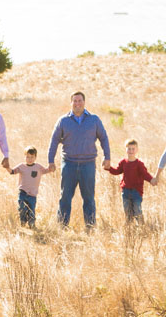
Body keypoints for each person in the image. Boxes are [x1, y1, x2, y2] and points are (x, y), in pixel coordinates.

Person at [47, 91, 111, 229]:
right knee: (65, 197)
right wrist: (50, 160)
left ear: (84, 102)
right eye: (74, 101)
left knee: (88, 198)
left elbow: (104, 138)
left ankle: (90, 227)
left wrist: (107, 157)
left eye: (80, 101)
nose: (77, 104)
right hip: (68, 164)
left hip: (88, 164)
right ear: (71, 103)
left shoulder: (94, 120)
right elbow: (54, 141)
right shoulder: (63, 121)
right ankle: (62, 227)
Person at [106, 138, 154, 224]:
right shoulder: (123, 162)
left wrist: (151, 180)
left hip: (136, 191)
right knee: (127, 211)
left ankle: (141, 227)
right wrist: (109, 168)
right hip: (126, 191)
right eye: (129, 148)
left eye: (133, 149)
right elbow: (117, 171)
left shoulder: (139, 164)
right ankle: (129, 228)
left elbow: (145, 174)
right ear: (126, 149)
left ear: (137, 150)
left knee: (137, 210)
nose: (131, 151)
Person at [6, 146, 53, 227]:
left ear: (35, 157)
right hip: (23, 192)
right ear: (25, 157)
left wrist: (51, 168)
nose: (30, 159)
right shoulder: (21, 166)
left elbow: (46, 170)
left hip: (33, 194)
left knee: (31, 209)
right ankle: (23, 222)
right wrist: (7, 167)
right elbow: (12, 172)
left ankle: (32, 224)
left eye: (32, 157)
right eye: (27, 157)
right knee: (22, 207)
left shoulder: (38, 167)